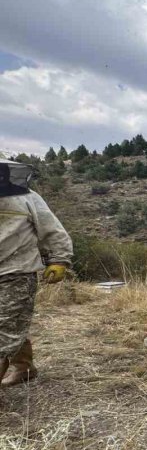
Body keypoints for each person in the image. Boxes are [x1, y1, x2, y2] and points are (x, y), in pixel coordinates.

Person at [0, 159, 72, 387]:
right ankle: (24, 368)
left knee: (4, 328)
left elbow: (53, 230)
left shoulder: (27, 198)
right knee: (11, 325)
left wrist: (59, 259)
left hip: (16, 273)